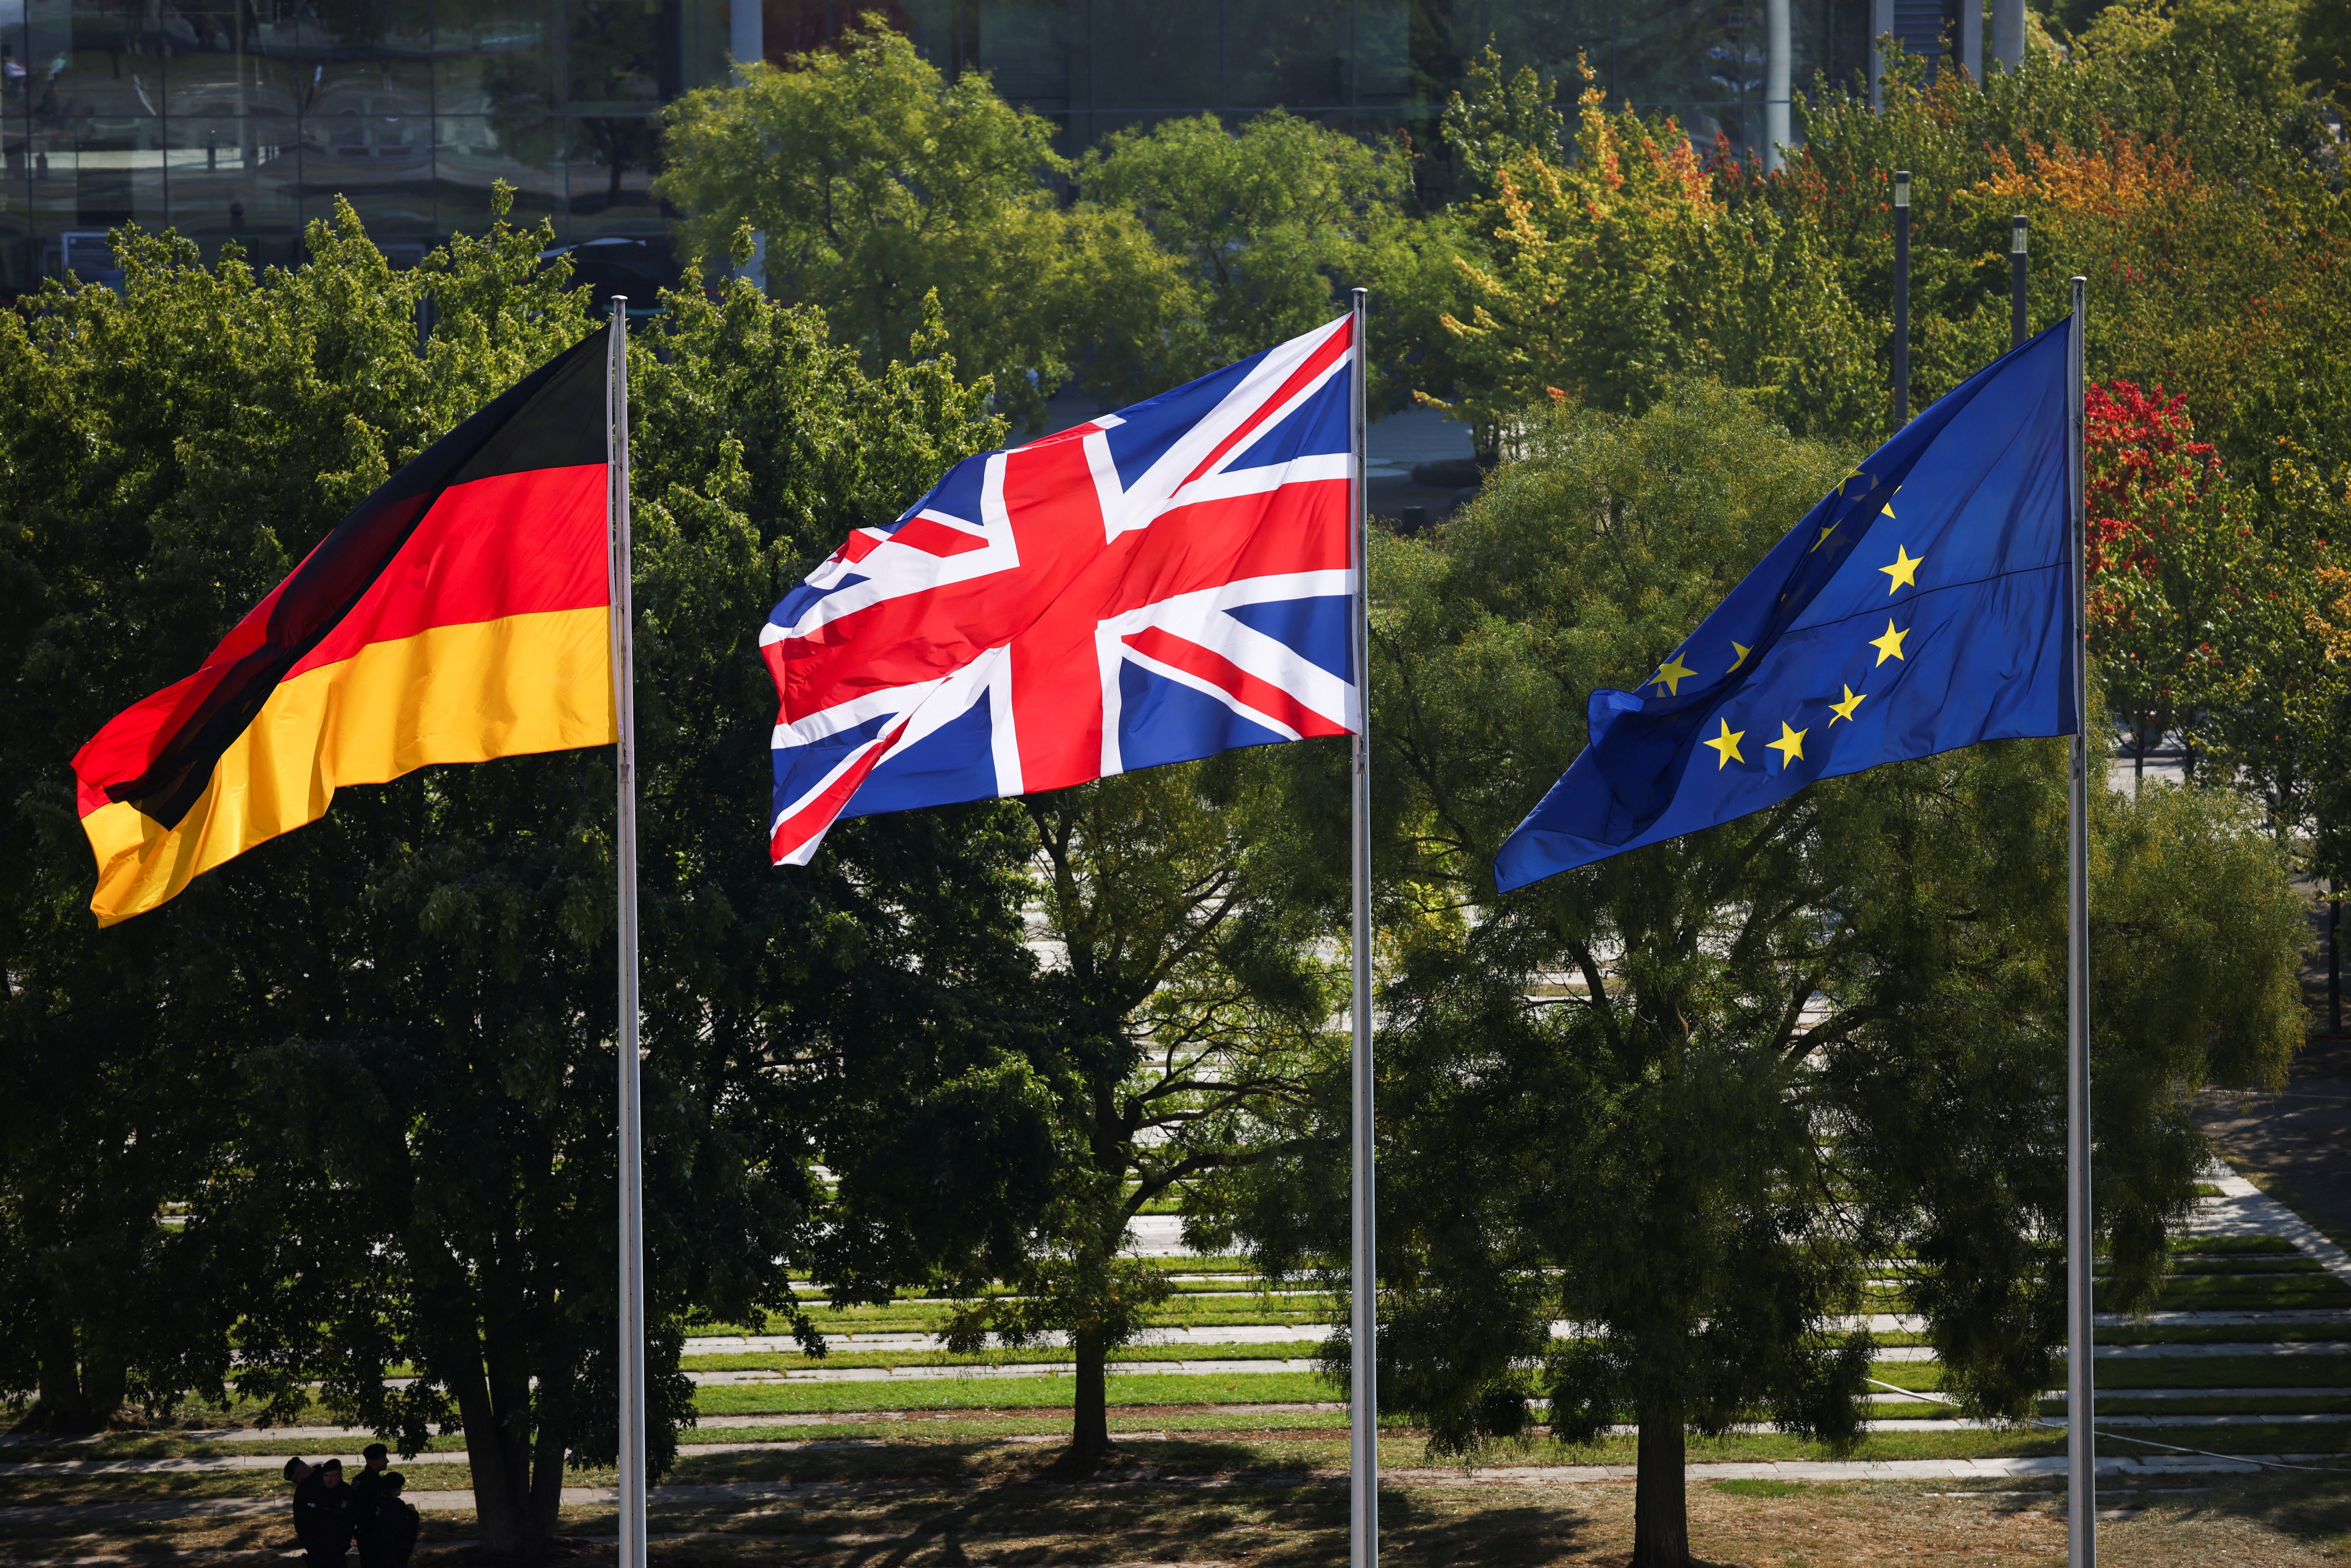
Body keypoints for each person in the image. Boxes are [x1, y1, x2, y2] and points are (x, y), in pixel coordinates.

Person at [294, 1456, 358, 1568]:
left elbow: (350, 1521)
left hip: (336, 1549)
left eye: (333, 1476)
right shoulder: (316, 1492)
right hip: (316, 1548)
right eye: (326, 1476)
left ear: (340, 1476)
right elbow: (306, 1518)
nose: (329, 1480)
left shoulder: (348, 1494)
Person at [351, 1443, 390, 1568]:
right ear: (374, 1461)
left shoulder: (359, 1479)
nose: (387, 1461)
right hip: (375, 1535)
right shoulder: (375, 1484)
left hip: (365, 1534)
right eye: (384, 1459)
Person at [373, 1473, 419, 1568]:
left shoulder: (379, 1501)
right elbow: (407, 1530)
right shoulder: (396, 1505)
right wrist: (413, 1514)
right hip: (394, 1551)